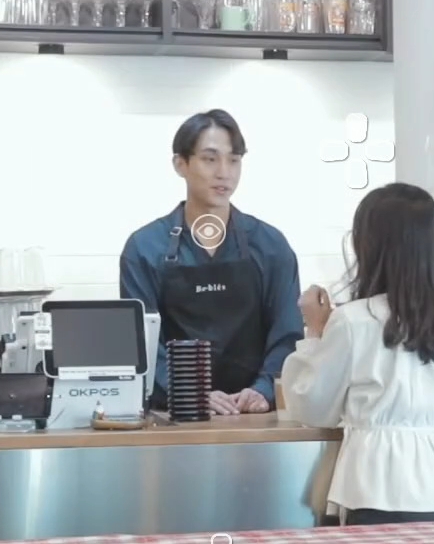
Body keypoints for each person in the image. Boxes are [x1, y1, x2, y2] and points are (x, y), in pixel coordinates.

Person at [280, 182, 434, 526]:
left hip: (373, 489)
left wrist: (316, 332)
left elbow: (312, 407)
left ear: (368, 246)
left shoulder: (353, 320)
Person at [119, 109, 302, 416]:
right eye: (210, 159)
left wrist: (264, 389)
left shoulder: (271, 245)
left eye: (234, 160)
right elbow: (141, 344)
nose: (224, 173)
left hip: (254, 417)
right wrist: (190, 393)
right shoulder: (145, 247)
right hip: (176, 416)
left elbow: (288, 334)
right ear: (180, 164)